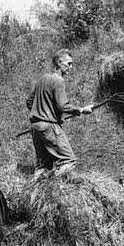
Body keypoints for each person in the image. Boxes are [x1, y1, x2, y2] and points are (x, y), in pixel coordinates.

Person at [26, 49, 95, 179]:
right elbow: (63, 106)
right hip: (49, 128)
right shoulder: (58, 81)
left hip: (36, 128)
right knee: (68, 161)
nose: (71, 67)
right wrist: (81, 110)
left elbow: (30, 101)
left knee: (43, 166)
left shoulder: (42, 79)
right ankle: (55, 184)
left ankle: (36, 192)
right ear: (59, 63)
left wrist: (42, 113)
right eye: (69, 64)